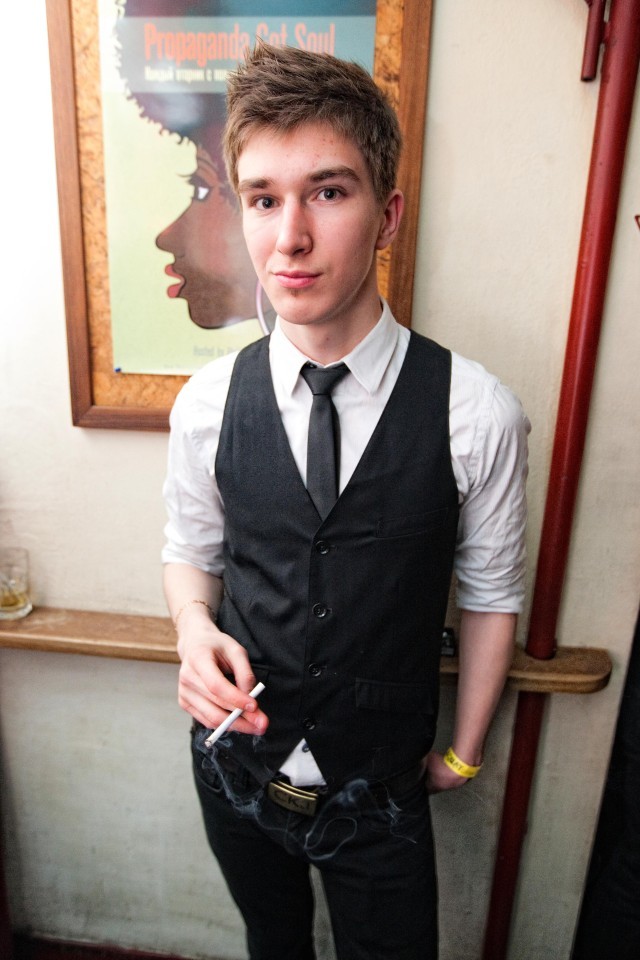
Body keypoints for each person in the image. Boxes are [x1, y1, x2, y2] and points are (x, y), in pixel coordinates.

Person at [162, 40, 529, 960]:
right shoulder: (206, 405)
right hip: (236, 771)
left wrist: (463, 752)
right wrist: (192, 631)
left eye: (327, 192)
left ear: (387, 215)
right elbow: (190, 553)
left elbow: (491, 594)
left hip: (382, 794)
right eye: (262, 199)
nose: (289, 238)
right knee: (271, 942)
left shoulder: (476, 411)